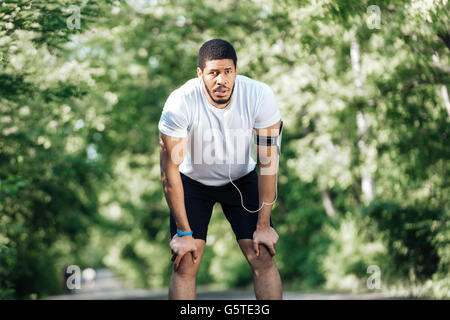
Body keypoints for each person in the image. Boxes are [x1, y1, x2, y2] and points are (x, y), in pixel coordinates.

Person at [158, 38, 282, 300]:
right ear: (200, 74)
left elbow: (268, 164)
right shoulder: (180, 103)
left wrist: (263, 225)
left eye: (228, 72)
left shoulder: (259, 95)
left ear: (236, 70)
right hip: (192, 182)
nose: (221, 80)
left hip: (241, 179)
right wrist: (183, 233)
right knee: (186, 261)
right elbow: (170, 172)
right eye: (213, 73)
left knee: (262, 255)